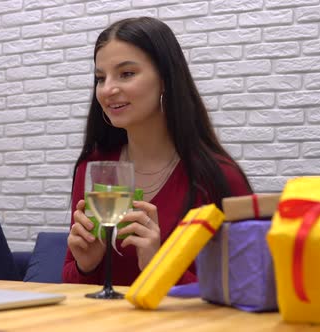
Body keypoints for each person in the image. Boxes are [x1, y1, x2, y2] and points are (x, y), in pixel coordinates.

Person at [62, 17, 252, 286]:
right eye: (100, 78)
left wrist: (160, 265)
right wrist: (86, 265)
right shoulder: (93, 167)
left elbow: (247, 291)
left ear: (165, 79)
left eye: (126, 74)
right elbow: (70, 283)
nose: (107, 90)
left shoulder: (219, 176)